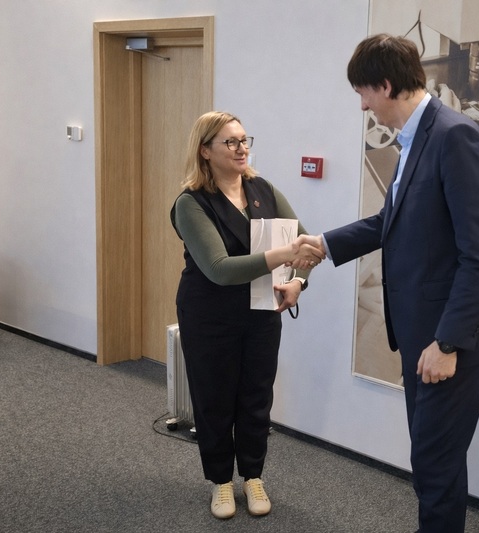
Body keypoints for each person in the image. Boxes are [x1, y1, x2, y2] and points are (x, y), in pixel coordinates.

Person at [296, 34, 479, 533]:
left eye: (364, 93)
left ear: (387, 85)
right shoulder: (417, 139)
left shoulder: (454, 137)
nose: (362, 106)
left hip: (453, 336)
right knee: (433, 456)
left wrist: (448, 342)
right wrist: (326, 244)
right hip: (426, 332)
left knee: (435, 465)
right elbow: (390, 221)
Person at [170, 111, 322, 520]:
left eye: (244, 139)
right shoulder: (191, 203)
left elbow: (306, 245)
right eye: (230, 142)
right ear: (205, 151)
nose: (242, 148)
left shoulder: (263, 190)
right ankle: (221, 482)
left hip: (260, 312)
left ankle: (252, 476)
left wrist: (297, 282)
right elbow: (220, 269)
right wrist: (283, 255)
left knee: (256, 396)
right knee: (215, 398)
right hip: (210, 315)